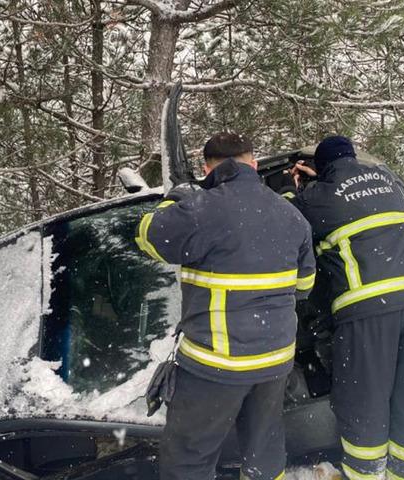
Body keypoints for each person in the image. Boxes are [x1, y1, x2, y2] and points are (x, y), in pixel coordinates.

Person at [135, 132, 317, 480]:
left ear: (207, 169)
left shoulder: (201, 208)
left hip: (215, 364)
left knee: (188, 459)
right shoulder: (291, 215)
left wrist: (175, 197)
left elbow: (147, 236)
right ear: (254, 164)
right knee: (264, 449)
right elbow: (305, 287)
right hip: (274, 360)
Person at [285, 135, 404, 480]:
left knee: (363, 400)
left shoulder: (317, 198)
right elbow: (352, 191)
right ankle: (403, 472)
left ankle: (364, 473)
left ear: (320, 167)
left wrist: (291, 186)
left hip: (368, 307)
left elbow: (287, 218)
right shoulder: (388, 183)